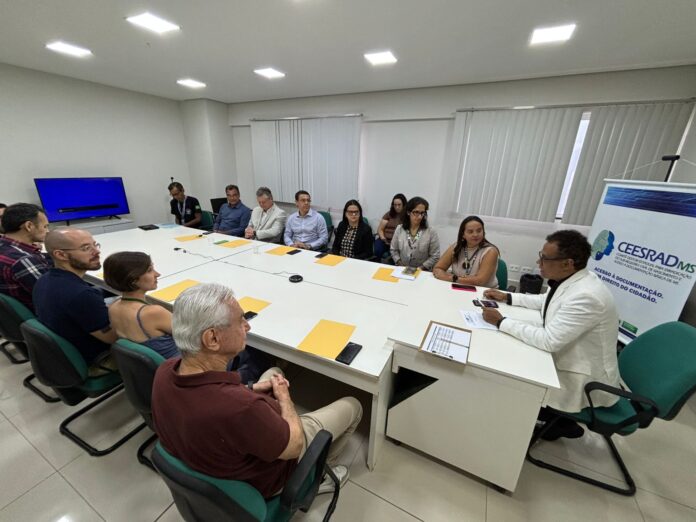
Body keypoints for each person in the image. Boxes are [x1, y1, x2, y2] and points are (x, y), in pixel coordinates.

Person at [151, 283, 362, 498]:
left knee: (274, 371)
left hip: (218, 455)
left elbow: (213, 398)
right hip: (268, 476)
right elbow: (294, 446)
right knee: (353, 406)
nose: (247, 326)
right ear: (212, 338)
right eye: (240, 321)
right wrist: (285, 399)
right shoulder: (241, 408)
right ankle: (318, 475)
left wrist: (252, 388)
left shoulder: (165, 371)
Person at [481, 230, 620, 440]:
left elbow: (549, 341)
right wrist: (508, 297)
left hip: (583, 378)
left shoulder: (587, 295)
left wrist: (501, 321)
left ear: (567, 263)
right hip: (566, 355)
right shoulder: (571, 279)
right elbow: (545, 301)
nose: (539, 262)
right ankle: (557, 422)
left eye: (545, 258)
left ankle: (555, 424)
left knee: (509, 376)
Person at [33, 229, 118, 373]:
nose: (97, 252)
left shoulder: (45, 279)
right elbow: (114, 338)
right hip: (97, 360)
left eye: (95, 245)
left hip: (64, 356)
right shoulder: (81, 295)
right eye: (86, 248)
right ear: (61, 255)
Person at [103, 252, 179, 359]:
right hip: (179, 363)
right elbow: (193, 336)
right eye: (149, 270)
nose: (157, 274)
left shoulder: (113, 307)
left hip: (148, 367)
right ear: (133, 280)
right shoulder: (153, 312)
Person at [0, 203, 52, 311]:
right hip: (44, 314)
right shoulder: (23, 260)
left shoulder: (4, 247)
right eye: (45, 226)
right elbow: (56, 296)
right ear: (29, 226)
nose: (47, 231)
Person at [433, 216, 499, 288]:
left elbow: (480, 281)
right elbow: (438, 268)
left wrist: (451, 278)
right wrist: (443, 274)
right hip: (458, 288)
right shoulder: (456, 247)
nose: (475, 234)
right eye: (470, 231)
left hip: (484, 291)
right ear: (463, 235)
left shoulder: (490, 251)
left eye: (479, 231)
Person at [390, 197, 440, 270]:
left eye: (422, 213)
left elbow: (435, 255)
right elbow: (393, 250)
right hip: (402, 269)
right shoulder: (399, 229)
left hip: (422, 271)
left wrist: (420, 269)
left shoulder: (431, 232)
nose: (420, 217)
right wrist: (401, 265)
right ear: (408, 212)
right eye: (416, 212)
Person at [374, 194, 406, 260]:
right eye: (395, 205)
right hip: (384, 240)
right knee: (377, 250)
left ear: (404, 205)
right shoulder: (389, 214)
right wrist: (383, 239)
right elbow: (380, 229)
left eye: (399, 205)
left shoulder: (407, 216)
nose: (397, 207)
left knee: (396, 255)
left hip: (397, 243)